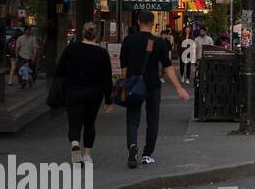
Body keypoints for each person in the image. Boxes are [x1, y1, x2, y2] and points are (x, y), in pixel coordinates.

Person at [119, 11, 190, 169]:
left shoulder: (128, 40)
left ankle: (132, 146)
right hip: (152, 85)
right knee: (152, 120)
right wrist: (178, 87)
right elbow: (168, 66)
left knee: (132, 119)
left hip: (133, 85)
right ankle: (146, 154)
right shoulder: (158, 42)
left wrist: (125, 82)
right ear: (152, 23)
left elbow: (123, 67)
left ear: (138, 22)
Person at [55, 22, 113, 165]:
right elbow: (107, 78)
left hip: (73, 91)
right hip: (94, 93)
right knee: (89, 123)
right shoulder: (102, 53)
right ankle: (87, 155)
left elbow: (60, 70)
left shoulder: (71, 49)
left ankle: (75, 144)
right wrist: (109, 100)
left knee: (74, 124)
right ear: (97, 35)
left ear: (82, 33)